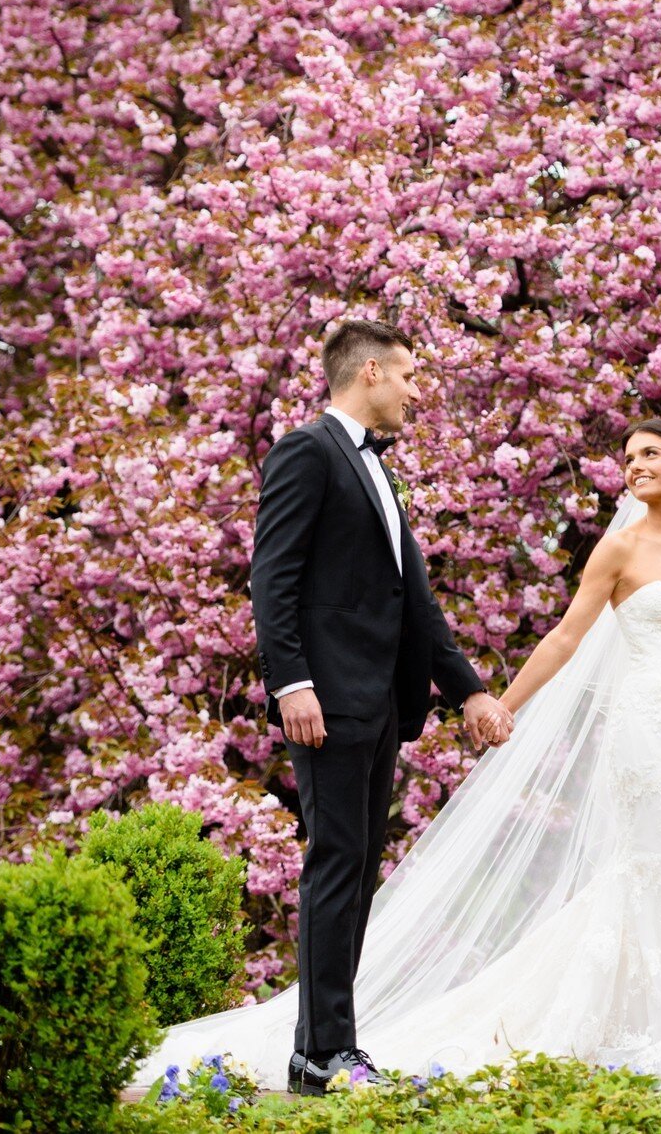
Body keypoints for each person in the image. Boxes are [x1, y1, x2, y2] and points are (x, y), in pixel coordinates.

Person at [132, 413, 661, 1095]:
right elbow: (566, 641)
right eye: (628, 456)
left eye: (650, 453)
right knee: (646, 863)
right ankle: (633, 1024)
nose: (633, 466)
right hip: (643, 730)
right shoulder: (620, 551)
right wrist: (502, 703)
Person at [249, 319, 512, 1095]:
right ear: (367, 373)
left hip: (375, 706)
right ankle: (327, 1051)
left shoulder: (377, 473)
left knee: (356, 870)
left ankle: (320, 1050)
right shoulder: (308, 451)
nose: (413, 390)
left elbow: (414, 601)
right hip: (326, 702)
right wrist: (291, 683)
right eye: (406, 375)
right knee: (336, 865)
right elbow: (274, 576)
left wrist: (467, 690)